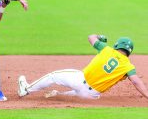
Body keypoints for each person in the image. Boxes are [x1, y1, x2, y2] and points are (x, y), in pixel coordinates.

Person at [18, 34, 148, 100]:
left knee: (53, 76)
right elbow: (136, 81)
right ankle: (58, 95)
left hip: (80, 80)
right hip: (91, 95)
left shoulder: (107, 49)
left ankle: (26, 89)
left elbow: (90, 37)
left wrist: (100, 36)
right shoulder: (128, 66)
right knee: (79, 94)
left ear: (117, 45)